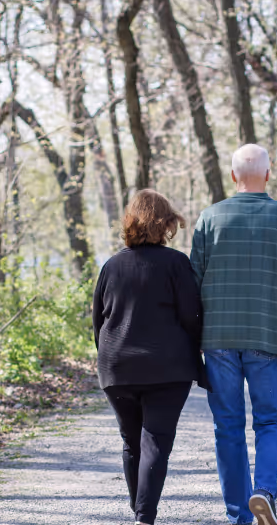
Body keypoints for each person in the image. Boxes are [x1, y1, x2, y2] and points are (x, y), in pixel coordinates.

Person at [190, 144, 277, 525]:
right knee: (270, 422)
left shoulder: (210, 218)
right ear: (268, 173)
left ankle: (239, 516)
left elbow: (191, 285)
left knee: (227, 426)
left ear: (233, 176)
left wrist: (190, 339)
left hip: (218, 341)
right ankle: (263, 490)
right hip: (266, 336)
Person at [92, 189, 206, 525]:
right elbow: (191, 315)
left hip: (117, 368)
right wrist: (198, 347)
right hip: (167, 369)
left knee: (131, 441)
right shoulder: (176, 264)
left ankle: (140, 511)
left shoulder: (111, 265)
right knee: (155, 439)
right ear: (167, 223)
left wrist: (108, 357)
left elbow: (98, 320)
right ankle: (144, 516)